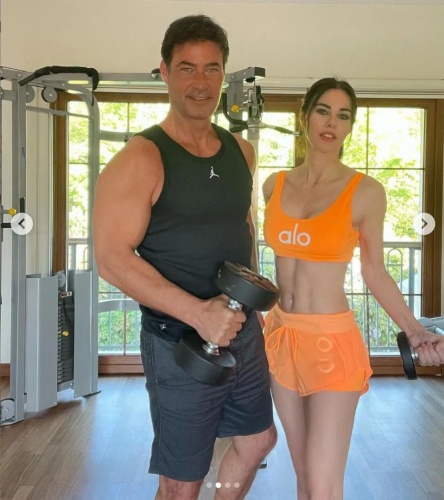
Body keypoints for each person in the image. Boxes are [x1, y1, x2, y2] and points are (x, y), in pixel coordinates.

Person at [93, 14, 276, 500]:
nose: (200, 82)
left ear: (224, 74)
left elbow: (244, 227)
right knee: (182, 481)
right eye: (187, 68)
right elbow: (111, 258)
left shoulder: (241, 151)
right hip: (178, 338)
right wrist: (198, 313)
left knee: (258, 440)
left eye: (212, 69)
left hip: (242, 331)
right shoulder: (141, 158)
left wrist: (254, 302)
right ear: (165, 72)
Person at [262, 77, 444, 500]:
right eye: (323, 111)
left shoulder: (365, 192)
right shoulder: (274, 184)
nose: (332, 123)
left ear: (350, 126)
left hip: (331, 343)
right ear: (305, 116)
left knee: (323, 486)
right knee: (304, 478)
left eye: (343, 116)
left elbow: (374, 272)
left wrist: (416, 333)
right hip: (280, 336)